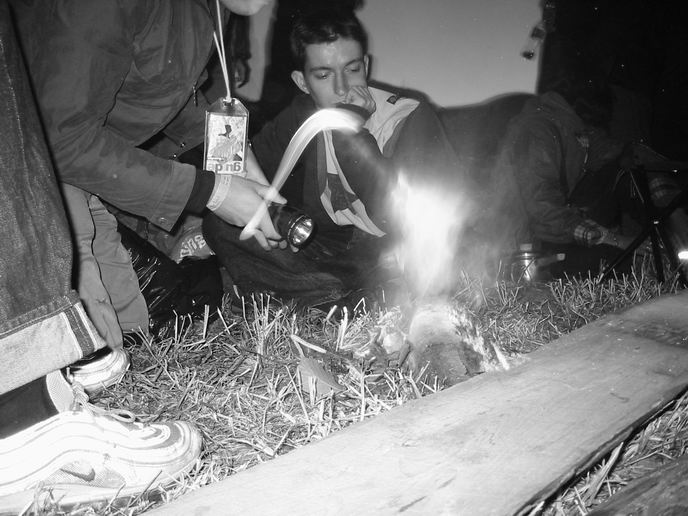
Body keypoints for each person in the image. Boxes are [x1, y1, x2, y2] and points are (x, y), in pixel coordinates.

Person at [9, 0, 284, 379]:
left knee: (132, 327)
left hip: (77, 163)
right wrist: (211, 192)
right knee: (83, 339)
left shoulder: (212, 8)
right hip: (24, 168)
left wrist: (238, 160)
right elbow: (62, 137)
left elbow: (172, 86)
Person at [0, 8, 201, 511]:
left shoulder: (208, 19)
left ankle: (118, 347)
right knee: (73, 235)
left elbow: (198, 109)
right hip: (61, 151)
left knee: (97, 233)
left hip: (90, 153)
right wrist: (208, 191)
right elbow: (63, 128)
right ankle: (31, 416)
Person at [203, 7, 472, 306]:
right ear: (302, 82)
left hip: (397, 251)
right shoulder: (302, 115)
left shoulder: (409, 118)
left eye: (352, 70)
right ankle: (332, 295)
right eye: (323, 75)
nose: (342, 88)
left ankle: (337, 297)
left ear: (365, 66)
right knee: (221, 222)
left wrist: (350, 134)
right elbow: (247, 168)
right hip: (334, 249)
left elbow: (402, 219)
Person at [489, 78, 656, 278]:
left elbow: (604, 152)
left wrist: (630, 153)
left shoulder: (571, 125)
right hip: (527, 246)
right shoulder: (538, 131)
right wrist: (616, 240)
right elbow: (543, 210)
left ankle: (669, 240)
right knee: (614, 262)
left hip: (555, 232)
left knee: (628, 173)